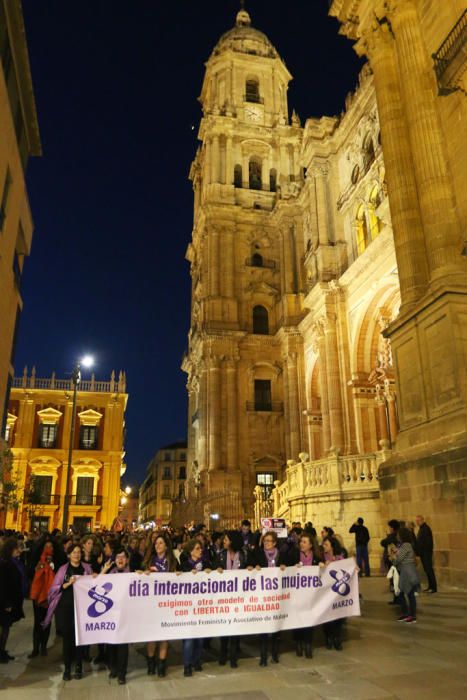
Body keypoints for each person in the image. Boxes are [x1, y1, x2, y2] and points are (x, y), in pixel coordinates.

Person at [44, 542, 93, 680]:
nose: (77, 554)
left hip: (82, 609)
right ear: (69, 555)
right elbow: (54, 588)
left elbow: (94, 585)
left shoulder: (86, 568)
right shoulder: (63, 570)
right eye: (74, 552)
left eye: (78, 552)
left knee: (79, 639)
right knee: (67, 639)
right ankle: (67, 668)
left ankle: (78, 666)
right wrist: (68, 583)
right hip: (66, 608)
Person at [142, 533, 178, 676]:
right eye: (156, 543)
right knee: (152, 635)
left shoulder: (173, 562)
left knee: (164, 635)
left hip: (167, 603)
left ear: (166, 546)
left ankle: (162, 664)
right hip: (152, 603)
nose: (158, 546)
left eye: (161, 543)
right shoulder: (149, 560)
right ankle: (151, 663)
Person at [252, 530, 287, 666]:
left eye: (268, 541)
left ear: (274, 543)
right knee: (264, 626)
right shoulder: (258, 554)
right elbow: (250, 564)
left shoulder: (282, 555)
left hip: (277, 596)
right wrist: (253, 567)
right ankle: (263, 654)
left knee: (276, 626)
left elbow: (292, 568)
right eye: (264, 541)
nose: (266, 543)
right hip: (263, 596)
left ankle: (275, 653)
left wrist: (285, 567)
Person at [215, 530, 249, 668]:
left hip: (239, 596)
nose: (224, 541)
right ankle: (223, 653)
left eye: (227, 539)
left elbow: (250, 567)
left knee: (236, 627)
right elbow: (213, 567)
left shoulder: (244, 555)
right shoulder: (221, 555)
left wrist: (252, 568)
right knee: (224, 627)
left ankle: (233, 656)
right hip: (224, 596)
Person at [286, 533, 322, 658]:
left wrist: (322, 566)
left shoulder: (317, 557)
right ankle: (298, 643)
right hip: (297, 594)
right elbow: (284, 567)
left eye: (305, 542)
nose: (301, 544)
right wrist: (292, 568)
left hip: (311, 595)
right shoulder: (294, 555)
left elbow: (325, 570)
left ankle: (308, 644)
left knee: (309, 619)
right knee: (298, 619)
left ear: (311, 545)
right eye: (301, 541)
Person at [180, 539, 211, 676]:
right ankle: (187, 664)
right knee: (188, 638)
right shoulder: (184, 565)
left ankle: (197, 661)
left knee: (200, 637)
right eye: (197, 548)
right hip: (188, 606)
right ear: (191, 551)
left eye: (201, 548)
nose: (200, 551)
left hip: (202, 604)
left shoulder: (206, 564)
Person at [28, 540, 57, 658]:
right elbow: (30, 573)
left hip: (50, 596)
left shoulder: (57, 561)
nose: (48, 548)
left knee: (47, 622)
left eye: (51, 546)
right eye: (46, 546)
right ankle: (35, 648)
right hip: (38, 596)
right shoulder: (37, 560)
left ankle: (43, 647)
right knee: (37, 622)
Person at [0, 538, 25, 663]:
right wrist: (7, 603)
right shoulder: (5, 563)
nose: (19, 551)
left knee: (6, 627)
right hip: (5, 602)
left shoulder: (14, 562)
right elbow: (4, 585)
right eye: (17, 549)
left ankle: (2, 650)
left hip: (11, 600)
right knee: (4, 627)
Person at [108, 548, 130, 684]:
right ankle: (113, 668)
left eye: (123, 557)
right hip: (111, 615)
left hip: (125, 615)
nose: (120, 559)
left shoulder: (133, 574)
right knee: (111, 644)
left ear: (127, 560)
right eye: (117, 557)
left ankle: (122, 673)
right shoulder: (109, 574)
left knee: (122, 645)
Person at [320, 537, 345, 651]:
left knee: (338, 616)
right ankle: (328, 637)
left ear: (332, 546)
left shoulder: (340, 557)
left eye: (326, 544)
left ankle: (337, 637)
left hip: (337, 592)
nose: (323, 546)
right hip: (325, 592)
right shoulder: (321, 557)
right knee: (327, 616)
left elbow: (346, 568)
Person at [393, 528, 420, 623]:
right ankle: (407, 614)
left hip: (407, 572)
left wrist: (394, 556)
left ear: (401, 536)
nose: (397, 537)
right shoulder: (406, 545)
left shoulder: (406, 545)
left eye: (398, 535)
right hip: (407, 571)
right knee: (405, 593)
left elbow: (399, 559)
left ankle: (412, 616)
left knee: (408, 594)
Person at [415, 515, 437, 593]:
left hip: (426, 553)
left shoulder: (426, 529)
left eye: (418, 521)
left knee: (429, 570)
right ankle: (430, 586)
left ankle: (433, 587)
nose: (417, 522)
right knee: (427, 570)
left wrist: (424, 551)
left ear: (422, 520)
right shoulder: (422, 529)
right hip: (423, 553)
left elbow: (427, 542)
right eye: (416, 521)